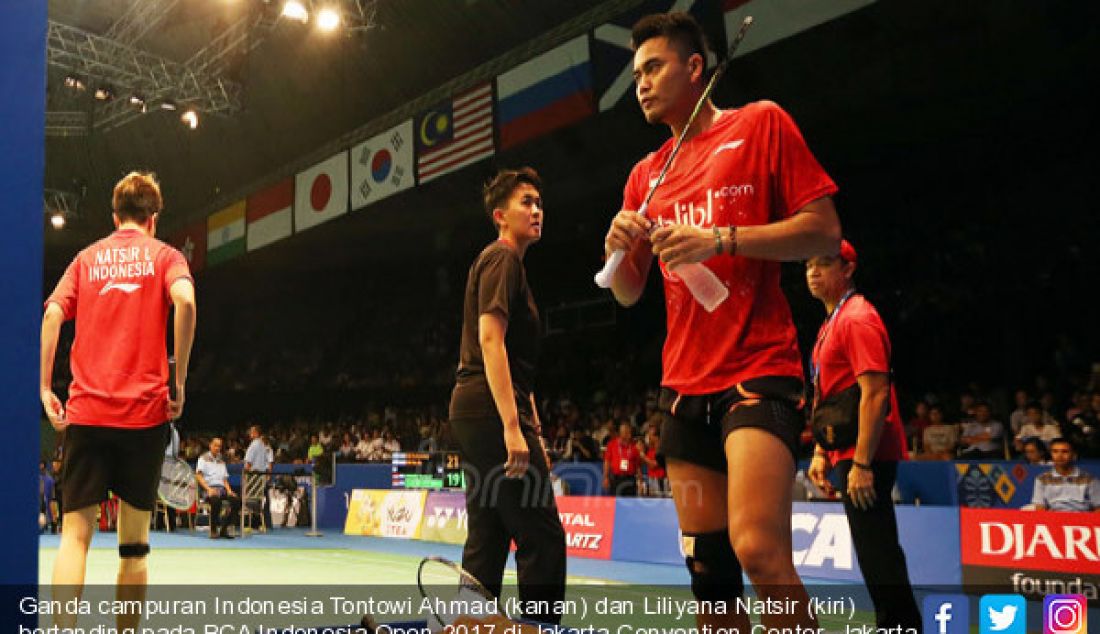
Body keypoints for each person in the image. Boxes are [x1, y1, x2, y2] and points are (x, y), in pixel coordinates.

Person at [602, 12, 841, 631]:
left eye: (653, 67)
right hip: (683, 387)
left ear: (695, 67)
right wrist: (616, 245)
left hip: (758, 370)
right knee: (709, 572)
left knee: (759, 553)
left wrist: (721, 240)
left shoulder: (760, 124)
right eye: (635, 75)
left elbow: (822, 230)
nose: (642, 84)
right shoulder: (644, 175)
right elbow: (628, 292)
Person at [40, 172, 196, 629]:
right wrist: (178, 380)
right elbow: (185, 303)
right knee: (134, 547)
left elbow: (52, 313)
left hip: (87, 413)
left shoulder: (87, 258)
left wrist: (47, 387)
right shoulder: (165, 256)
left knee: (74, 538)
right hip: (144, 418)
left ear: (115, 217)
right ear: (153, 218)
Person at [448, 167, 566, 624]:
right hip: (489, 412)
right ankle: (540, 631)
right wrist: (513, 428)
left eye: (539, 202)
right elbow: (491, 340)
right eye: (526, 202)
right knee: (542, 538)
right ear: (501, 216)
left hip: (476, 411)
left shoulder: (505, 264)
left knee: (490, 533)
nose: (536, 210)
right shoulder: (503, 260)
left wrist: (530, 426)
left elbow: (520, 370)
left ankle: (467, 629)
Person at [804, 240, 920, 631]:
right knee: (873, 552)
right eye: (808, 266)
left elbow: (875, 392)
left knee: (878, 552)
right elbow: (832, 394)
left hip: (865, 454)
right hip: (847, 452)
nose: (813, 272)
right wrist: (822, 450)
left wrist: (862, 463)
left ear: (848, 268)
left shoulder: (857, 318)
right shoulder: (831, 323)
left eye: (824, 264)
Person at [1029, 439, 1100, 512]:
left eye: (1065, 451)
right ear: (1051, 454)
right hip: (1053, 520)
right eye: (1055, 451)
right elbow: (1040, 508)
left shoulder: (1090, 480)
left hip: (1081, 519)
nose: (1059, 455)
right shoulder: (1041, 479)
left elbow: (1098, 508)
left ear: (1074, 455)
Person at [195, 437, 241, 539]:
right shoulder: (203, 458)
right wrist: (209, 489)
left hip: (222, 489)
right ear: (210, 445)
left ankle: (224, 530)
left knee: (237, 501)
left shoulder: (221, 461)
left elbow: (224, 479)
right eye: (215, 445)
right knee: (216, 501)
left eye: (219, 446)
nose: (217, 448)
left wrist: (229, 491)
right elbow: (198, 476)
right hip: (208, 489)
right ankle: (213, 530)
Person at [243, 425, 273, 531]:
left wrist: (245, 477)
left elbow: (248, 463)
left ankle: (251, 524)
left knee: (249, 499)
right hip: (261, 477)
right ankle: (258, 524)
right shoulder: (263, 445)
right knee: (258, 500)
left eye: (251, 431)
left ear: (256, 433)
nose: (250, 433)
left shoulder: (254, 445)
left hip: (253, 476)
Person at [603, 422, 641, 496]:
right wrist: (606, 477)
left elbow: (638, 465)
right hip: (616, 479)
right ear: (620, 433)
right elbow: (607, 462)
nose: (629, 434)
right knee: (616, 503)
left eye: (630, 431)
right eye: (626, 432)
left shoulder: (635, 446)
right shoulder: (612, 444)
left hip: (630, 479)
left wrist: (640, 480)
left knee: (630, 503)